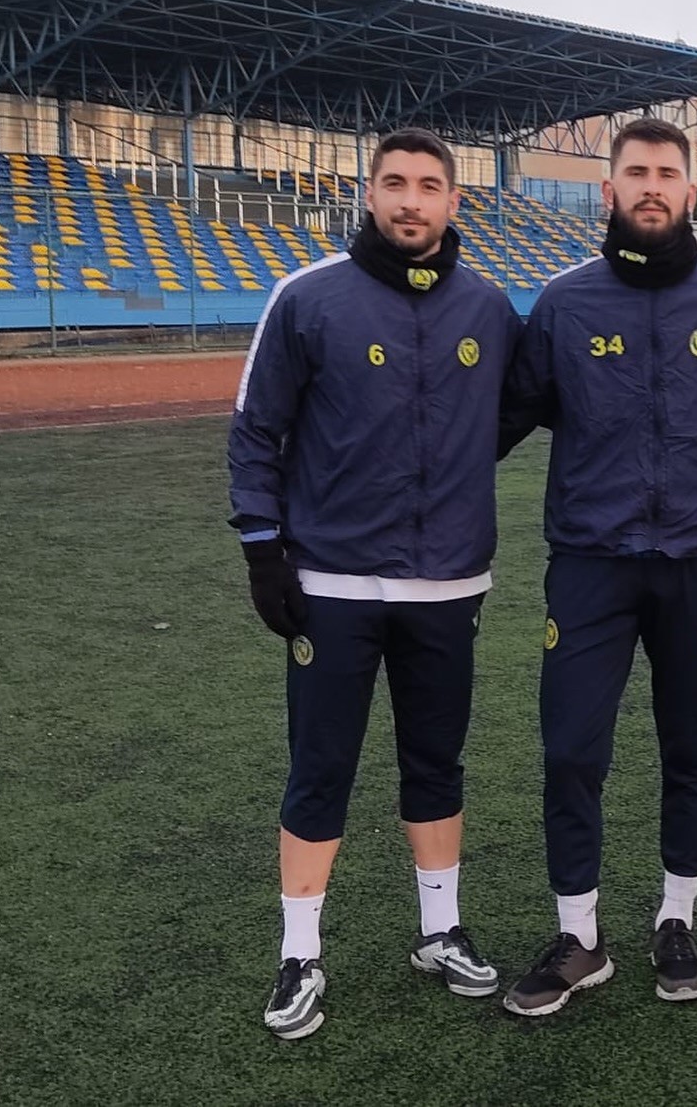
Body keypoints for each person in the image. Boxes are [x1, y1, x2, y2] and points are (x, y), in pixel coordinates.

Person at [228, 128, 522, 1040]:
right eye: (395, 183)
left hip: (448, 585)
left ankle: (442, 932)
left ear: (453, 202)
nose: (411, 200)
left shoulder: (489, 309)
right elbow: (255, 430)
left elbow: (511, 415)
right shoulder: (308, 298)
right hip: (333, 584)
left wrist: (455, 480)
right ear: (369, 194)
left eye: (429, 186)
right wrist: (263, 549)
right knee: (321, 767)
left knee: (437, 763)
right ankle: (299, 955)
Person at [498, 117, 697, 1017]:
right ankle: (578, 936)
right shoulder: (565, 304)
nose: (651, 186)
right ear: (609, 188)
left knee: (690, 747)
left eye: (666, 173)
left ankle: (676, 920)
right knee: (570, 749)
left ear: (689, 191)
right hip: (592, 561)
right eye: (636, 172)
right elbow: (499, 420)